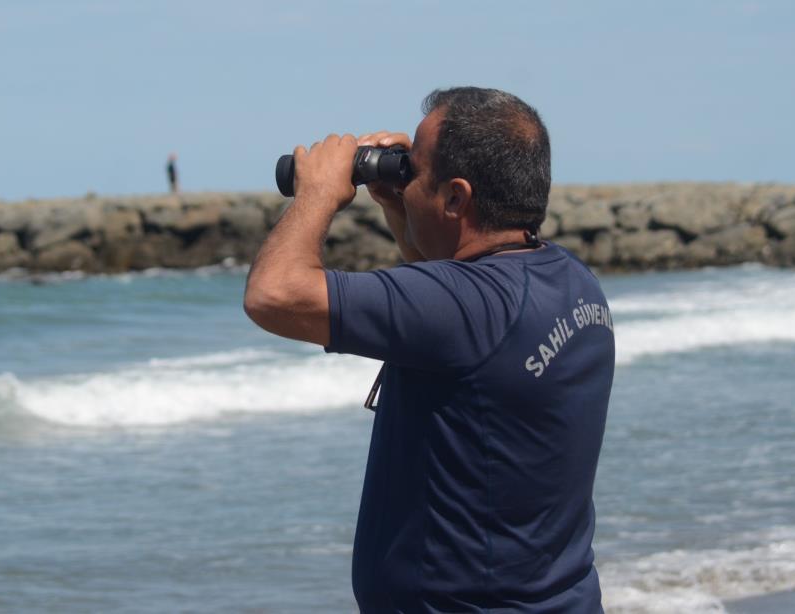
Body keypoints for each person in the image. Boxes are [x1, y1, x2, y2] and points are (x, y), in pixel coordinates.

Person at [244, 87, 614, 613]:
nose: (403, 179)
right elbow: (448, 290)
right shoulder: (573, 282)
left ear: (457, 197)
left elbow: (273, 295)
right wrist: (405, 204)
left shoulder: (464, 308)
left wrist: (319, 194)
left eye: (412, 172)